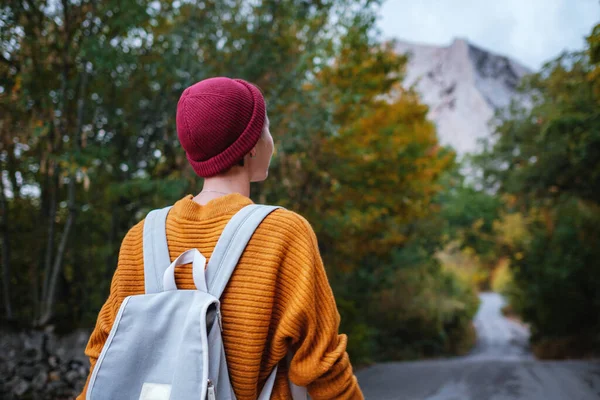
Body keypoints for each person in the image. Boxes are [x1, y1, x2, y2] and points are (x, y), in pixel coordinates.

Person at [78, 77, 363, 399]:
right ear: (252, 143)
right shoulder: (283, 233)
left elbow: (103, 356)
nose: (272, 140)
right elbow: (322, 365)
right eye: (267, 129)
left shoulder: (140, 237)